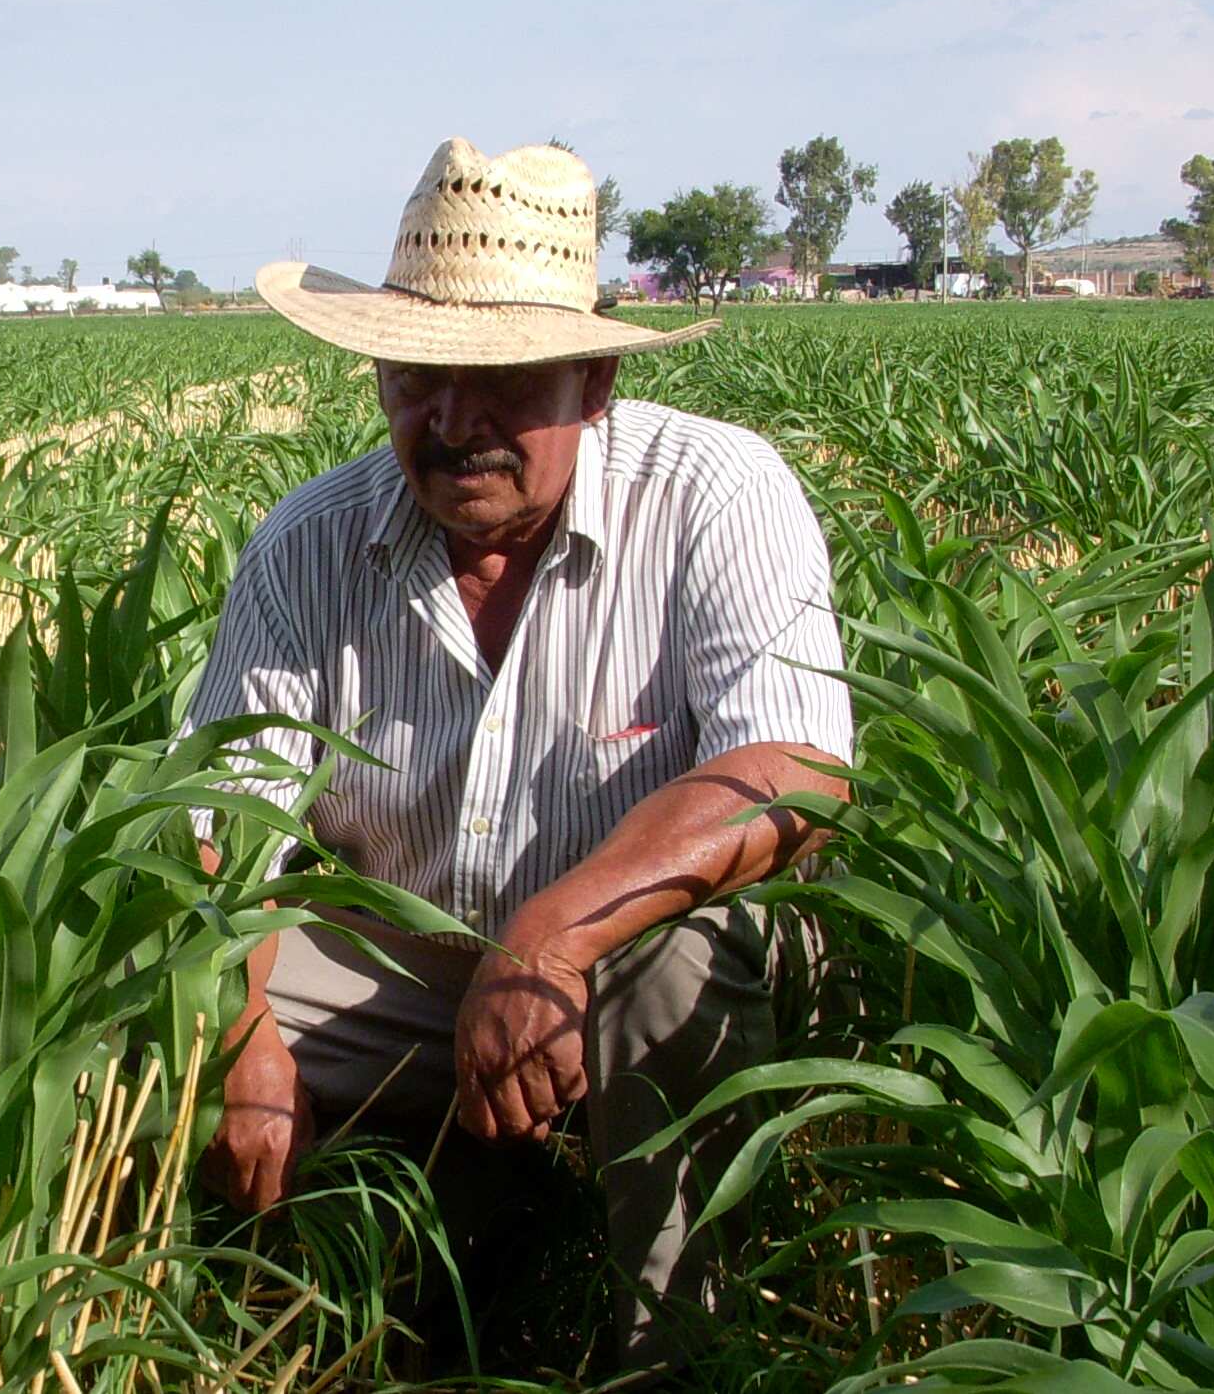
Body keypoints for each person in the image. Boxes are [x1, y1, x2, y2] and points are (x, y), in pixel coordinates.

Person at [185, 138, 852, 1363]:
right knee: (162, 997)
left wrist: (551, 940)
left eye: (500, 380)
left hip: (635, 959)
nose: (454, 423)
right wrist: (233, 1041)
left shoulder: (714, 494)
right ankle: (277, 1321)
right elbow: (218, 829)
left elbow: (793, 767)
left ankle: (677, 1354)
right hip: (411, 961)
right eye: (417, 377)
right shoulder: (307, 547)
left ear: (594, 381)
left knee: (676, 965)